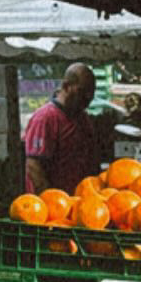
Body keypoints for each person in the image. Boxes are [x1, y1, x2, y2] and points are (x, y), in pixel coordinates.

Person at [24, 63, 99, 195]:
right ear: (66, 86)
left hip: (81, 199)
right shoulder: (45, 118)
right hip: (55, 204)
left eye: (91, 92)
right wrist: (49, 198)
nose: (88, 97)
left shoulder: (82, 118)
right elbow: (33, 166)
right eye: (82, 91)